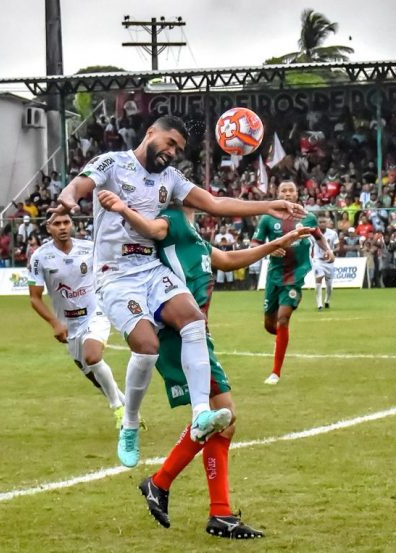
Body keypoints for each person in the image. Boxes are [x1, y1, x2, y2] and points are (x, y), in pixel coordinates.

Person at [53, 115, 305, 467]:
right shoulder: (112, 162)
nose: (172, 153)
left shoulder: (170, 179)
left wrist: (267, 205)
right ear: (151, 133)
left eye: (178, 150)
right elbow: (78, 186)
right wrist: (67, 198)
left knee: (192, 319)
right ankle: (129, 424)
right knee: (147, 346)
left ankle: (202, 411)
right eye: (170, 144)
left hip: (150, 269)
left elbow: (215, 204)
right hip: (114, 275)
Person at [106, 202, 309, 538]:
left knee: (222, 422)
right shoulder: (168, 224)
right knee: (224, 416)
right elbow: (150, 231)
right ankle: (187, 496)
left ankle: (182, 494)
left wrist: (275, 244)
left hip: (197, 337)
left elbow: (226, 259)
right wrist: (123, 208)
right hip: (179, 337)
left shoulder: (193, 237)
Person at [28, 213, 125, 427]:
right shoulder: (39, 257)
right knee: (91, 374)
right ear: (48, 228)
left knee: (93, 357)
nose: (62, 227)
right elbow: (34, 298)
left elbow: (110, 272)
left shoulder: (89, 248)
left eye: (66, 222)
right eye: (57, 224)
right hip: (68, 323)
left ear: (72, 224)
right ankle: (127, 406)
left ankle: (119, 411)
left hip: (95, 313)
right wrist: (55, 323)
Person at [251, 180, 334, 385]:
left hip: (295, 275)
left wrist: (327, 250)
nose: (287, 194)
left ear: (297, 194)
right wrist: (270, 248)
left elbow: (318, 236)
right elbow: (254, 244)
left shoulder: (307, 217)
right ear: (278, 194)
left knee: (283, 319)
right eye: (283, 191)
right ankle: (280, 337)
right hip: (274, 274)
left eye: (291, 190)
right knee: (270, 325)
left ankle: (275, 372)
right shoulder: (268, 219)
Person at [312, 215, 339, 310]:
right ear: (317, 223)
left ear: (327, 223)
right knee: (318, 279)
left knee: (329, 285)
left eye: (324, 222)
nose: (322, 224)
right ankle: (319, 304)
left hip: (329, 261)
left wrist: (331, 252)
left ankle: (327, 300)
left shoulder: (333, 233)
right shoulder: (314, 233)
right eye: (320, 222)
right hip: (318, 260)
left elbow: (338, 247)